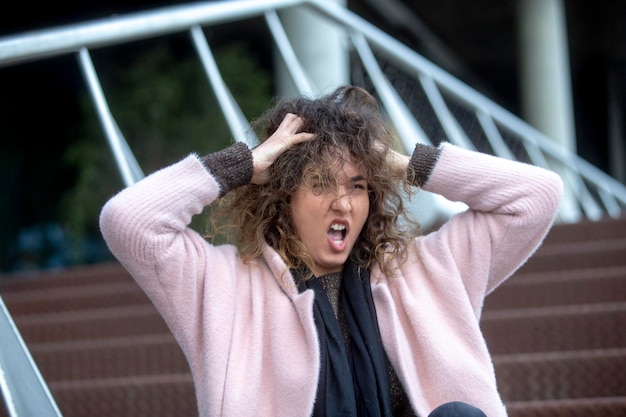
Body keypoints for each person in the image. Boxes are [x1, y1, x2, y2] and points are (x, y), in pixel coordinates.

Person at [99, 85, 563, 417]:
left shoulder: (428, 269)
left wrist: (406, 164)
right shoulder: (220, 285)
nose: (342, 202)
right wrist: (243, 163)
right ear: (283, 197)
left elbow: (537, 196)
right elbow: (129, 221)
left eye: (357, 185)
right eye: (320, 184)